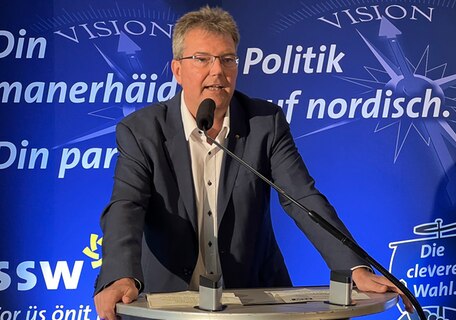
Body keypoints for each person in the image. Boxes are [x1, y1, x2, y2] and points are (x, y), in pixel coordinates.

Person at [94, 6, 412, 320]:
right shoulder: (142, 130)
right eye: (202, 59)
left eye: (227, 59)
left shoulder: (264, 122)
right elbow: (127, 206)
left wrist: (354, 267)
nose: (217, 71)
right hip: (171, 302)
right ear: (177, 70)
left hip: (254, 300)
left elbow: (302, 197)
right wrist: (120, 276)